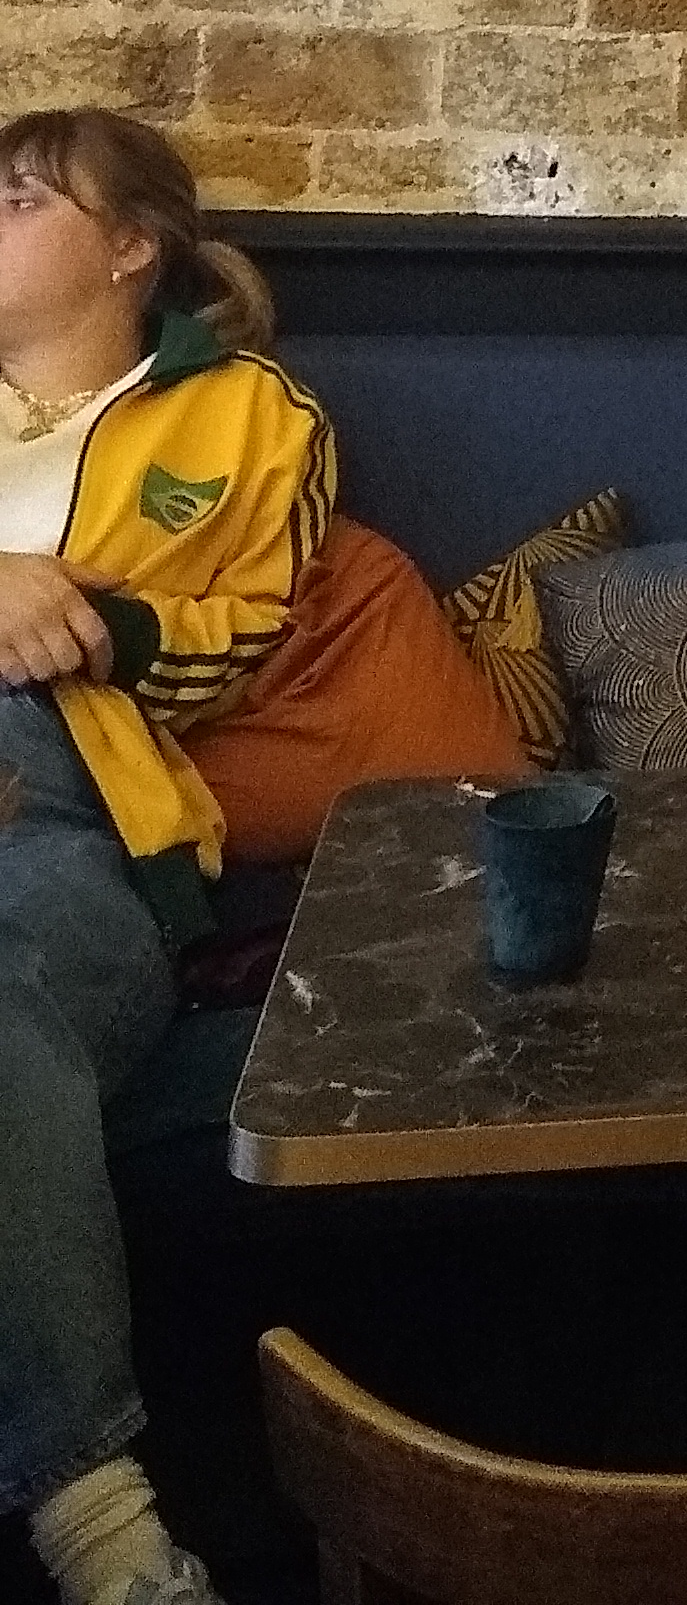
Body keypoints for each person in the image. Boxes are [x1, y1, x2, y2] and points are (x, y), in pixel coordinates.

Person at [0, 110, 331, 1605]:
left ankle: (103, 1532)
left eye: (21, 200)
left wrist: (85, 624)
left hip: (70, 806)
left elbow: (235, 642)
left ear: (131, 245)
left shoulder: (250, 416)